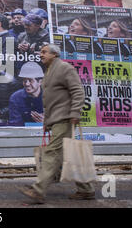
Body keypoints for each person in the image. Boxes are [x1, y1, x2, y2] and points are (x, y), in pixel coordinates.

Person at [19, 44, 94, 204]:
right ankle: (86, 190)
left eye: (44, 52)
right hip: (56, 119)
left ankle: (38, 190)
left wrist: (75, 113)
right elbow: (50, 100)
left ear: (55, 54)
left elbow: (78, 91)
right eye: (40, 52)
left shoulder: (64, 68)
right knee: (68, 155)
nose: (41, 54)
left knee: (51, 153)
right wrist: (47, 122)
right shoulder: (50, 70)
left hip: (65, 118)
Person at [8, 62, 44, 127]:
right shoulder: (16, 98)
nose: (27, 84)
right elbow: (15, 126)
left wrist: (47, 123)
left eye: (30, 80)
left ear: (40, 82)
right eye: (24, 80)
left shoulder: (51, 97)